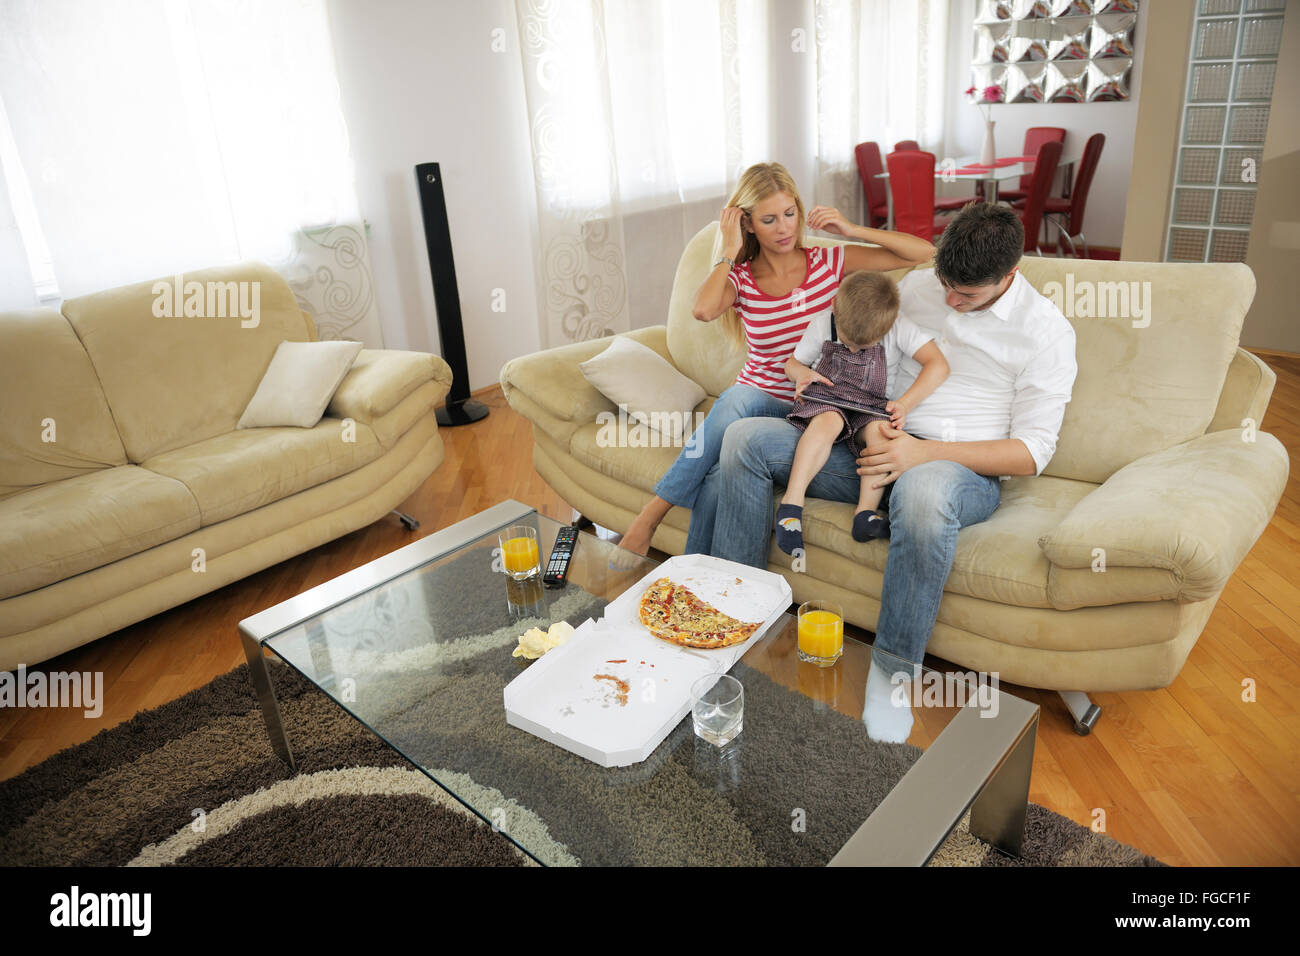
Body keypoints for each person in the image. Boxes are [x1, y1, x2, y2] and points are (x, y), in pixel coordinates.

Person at [706, 203, 1078, 743]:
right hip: (868, 442)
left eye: (967, 296)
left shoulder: (1045, 332)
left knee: (923, 494)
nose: (949, 300)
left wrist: (922, 455)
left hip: (954, 468)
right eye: (946, 284)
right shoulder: (921, 285)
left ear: (1010, 277)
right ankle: (733, 618)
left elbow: (1031, 452)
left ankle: (892, 677)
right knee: (745, 440)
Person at [618, 161, 935, 556]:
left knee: (718, 473)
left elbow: (923, 252)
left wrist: (851, 230)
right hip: (757, 401)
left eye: (790, 214)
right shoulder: (741, 278)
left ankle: (661, 527)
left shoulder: (828, 262)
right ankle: (680, 559)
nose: (785, 228)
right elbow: (701, 310)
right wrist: (729, 252)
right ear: (748, 224)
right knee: (733, 411)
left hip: (815, 408)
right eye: (769, 219)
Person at [775, 270, 949, 554]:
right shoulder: (823, 323)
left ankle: (865, 515)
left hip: (870, 406)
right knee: (828, 422)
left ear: (890, 324)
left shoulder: (899, 326)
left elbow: (938, 365)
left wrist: (905, 403)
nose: (854, 349)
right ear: (834, 307)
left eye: (863, 347)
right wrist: (803, 375)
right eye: (847, 342)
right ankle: (791, 506)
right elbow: (791, 364)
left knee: (882, 435)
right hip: (828, 397)